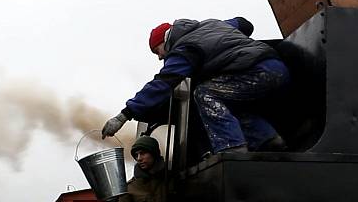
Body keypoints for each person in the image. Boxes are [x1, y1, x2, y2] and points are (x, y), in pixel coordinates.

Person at [102, 17, 290, 153]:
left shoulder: (184, 49)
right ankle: (268, 141)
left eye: (157, 51)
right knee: (226, 105)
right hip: (278, 66)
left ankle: (232, 150)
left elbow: (163, 83)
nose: (160, 57)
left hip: (257, 73)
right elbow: (244, 24)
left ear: (166, 41)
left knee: (205, 94)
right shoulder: (213, 24)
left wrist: (124, 115)